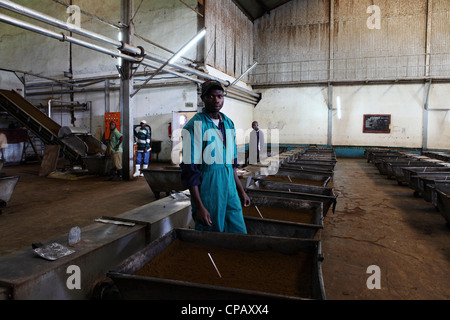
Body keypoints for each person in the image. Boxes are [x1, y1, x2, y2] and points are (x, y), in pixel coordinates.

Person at [180, 80, 251, 234]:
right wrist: (199, 206)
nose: (216, 100)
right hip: (209, 190)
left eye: (219, 96)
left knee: (238, 231)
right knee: (211, 236)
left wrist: (241, 191)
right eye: (211, 96)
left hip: (230, 189)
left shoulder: (228, 123)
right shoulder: (194, 126)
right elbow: (190, 170)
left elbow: (231, 164)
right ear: (203, 98)